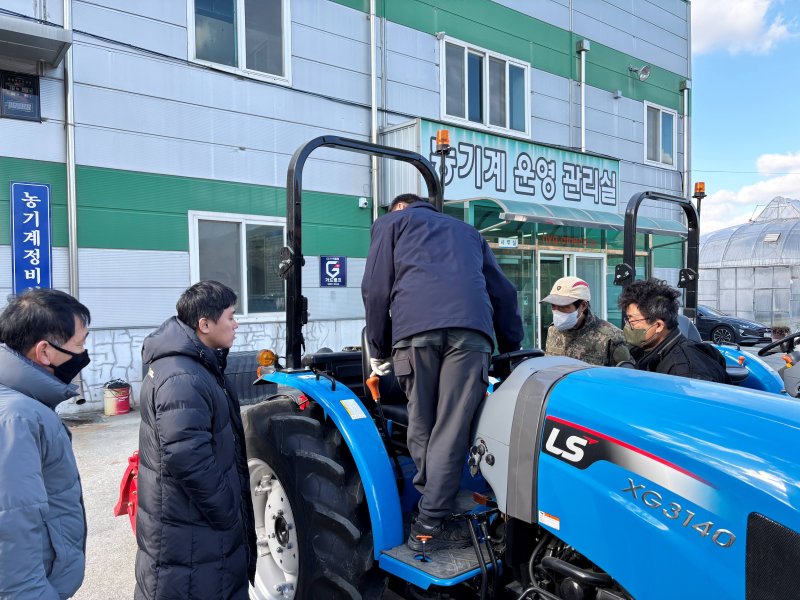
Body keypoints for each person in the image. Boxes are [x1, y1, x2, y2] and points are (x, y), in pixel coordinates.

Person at [362, 193, 524, 552]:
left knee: (422, 421)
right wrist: (512, 343)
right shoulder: (468, 232)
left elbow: (375, 289)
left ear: (399, 207)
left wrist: (377, 348)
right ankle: (435, 512)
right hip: (472, 332)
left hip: (413, 333)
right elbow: (503, 291)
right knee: (452, 426)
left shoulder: (391, 223)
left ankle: (428, 522)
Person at [134, 281, 256, 600]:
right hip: (191, 529)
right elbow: (187, 458)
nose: (236, 323)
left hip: (191, 524)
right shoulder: (183, 378)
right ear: (204, 324)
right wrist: (228, 512)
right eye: (230, 316)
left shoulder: (194, 364)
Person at [0, 288, 91, 599]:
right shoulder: (19, 417)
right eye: (79, 344)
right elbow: (12, 520)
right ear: (44, 352)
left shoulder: (22, 405)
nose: (83, 354)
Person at [617, 278, 729, 383]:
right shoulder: (646, 350)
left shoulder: (684, 371)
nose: (627, 326)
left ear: (659, 326)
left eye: (633, 320)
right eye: (627, 319)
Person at [541, 276, 630, 366]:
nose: (557, 312)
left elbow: (627, 375)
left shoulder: (612, 338)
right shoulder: (553, 331)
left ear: (583, 306)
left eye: (563, 306)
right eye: (553, 306)